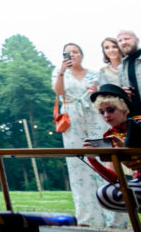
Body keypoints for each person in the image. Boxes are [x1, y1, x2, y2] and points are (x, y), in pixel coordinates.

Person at [86, 83, 141, 231]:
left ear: (124, 108)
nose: (106, 115)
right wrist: (92, 159)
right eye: (102, 112)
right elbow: (113, 178)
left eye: (110, 110)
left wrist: (127, 149)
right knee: (105, 193)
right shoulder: (109, 137)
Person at [53, 42, 113, 227]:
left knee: (104, 160)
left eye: (76, 52)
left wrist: (97, 92)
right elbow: (58, 92)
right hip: (72, 118)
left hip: (95, 115)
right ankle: (87, 217)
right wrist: (62, 71)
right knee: (78, 164)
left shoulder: (96, 74)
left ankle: (113, 215)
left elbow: (107, 96)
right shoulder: (59, 72)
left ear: (82, 54)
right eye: (68, 53)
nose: (73, 55)